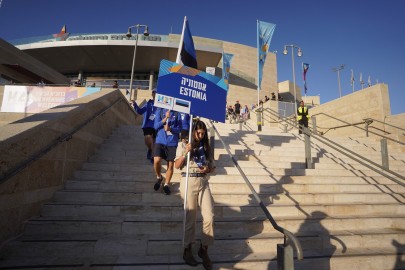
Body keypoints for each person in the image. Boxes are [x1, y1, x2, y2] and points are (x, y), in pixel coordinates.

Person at [175, 119, 215, 270]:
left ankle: (204, 249)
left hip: (203, 181)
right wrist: (186, 151)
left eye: (203, 133)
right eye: (198, 132)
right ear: (193, 131)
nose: (200, 135)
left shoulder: (206, 146)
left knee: (209, 216)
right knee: (190, 218)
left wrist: (208, 169)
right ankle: (187, 250)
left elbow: (212, 166)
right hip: (188, 181)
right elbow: (178, 166)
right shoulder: (184, 144)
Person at [153, 108, 182, 195]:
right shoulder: (160, 110)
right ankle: (159, 177)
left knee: (170, 165)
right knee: (157, 160)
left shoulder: (177, 113)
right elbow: (155, 126)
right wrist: (165, 118)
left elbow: (180, 129)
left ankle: (166, 184)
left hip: (172, 142)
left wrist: (171, 129)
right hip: (160, 140)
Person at [131, 89, 158, 163]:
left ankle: (151, 150)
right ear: (152, 94)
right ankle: (152, 153)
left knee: (155, 142)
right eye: (153, 93)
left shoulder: (162, 105)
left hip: (158, 125)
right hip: (148, 124)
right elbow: (140, 111)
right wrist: (135, 104)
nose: (155, 94)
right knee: (148, 138)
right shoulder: (148, 103)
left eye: (156, 93)